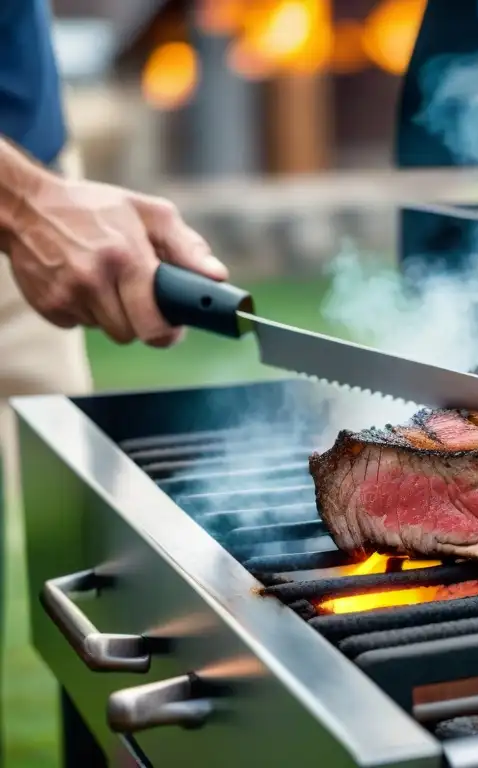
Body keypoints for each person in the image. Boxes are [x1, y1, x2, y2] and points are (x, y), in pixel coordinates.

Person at [0, 1, 227, 760]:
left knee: (83, 582)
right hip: (24, 198)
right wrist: (23, 206)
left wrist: (35, 191)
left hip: (33, 175)